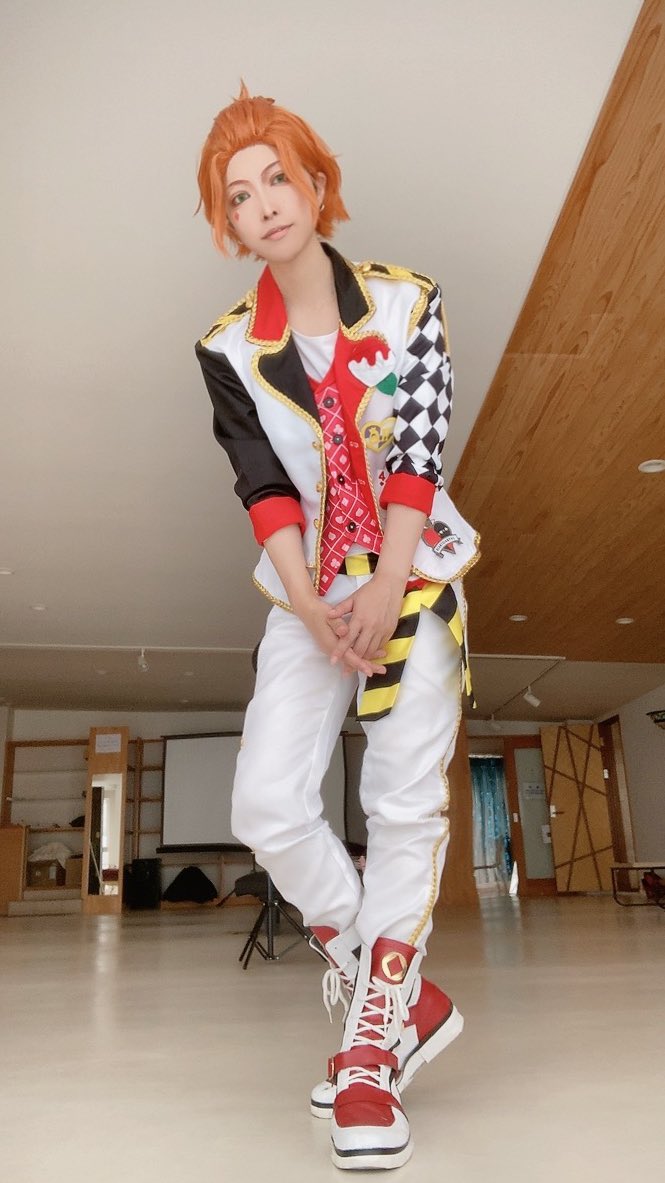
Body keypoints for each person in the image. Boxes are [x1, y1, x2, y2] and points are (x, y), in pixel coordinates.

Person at [194, 84, 480, 1172]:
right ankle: (400, 996)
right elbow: (261, 484)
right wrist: (312, 604)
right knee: (265, 801)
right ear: (227, 224)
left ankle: (369, 1052)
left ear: (316, 185)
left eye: (278, 177)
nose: (263, 203)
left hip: (412, 573)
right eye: (238, 194)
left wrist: (387, 580)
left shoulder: (407, 301)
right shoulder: (227, 347)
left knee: (401, 800)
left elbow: (420, 449)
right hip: (304, 592)